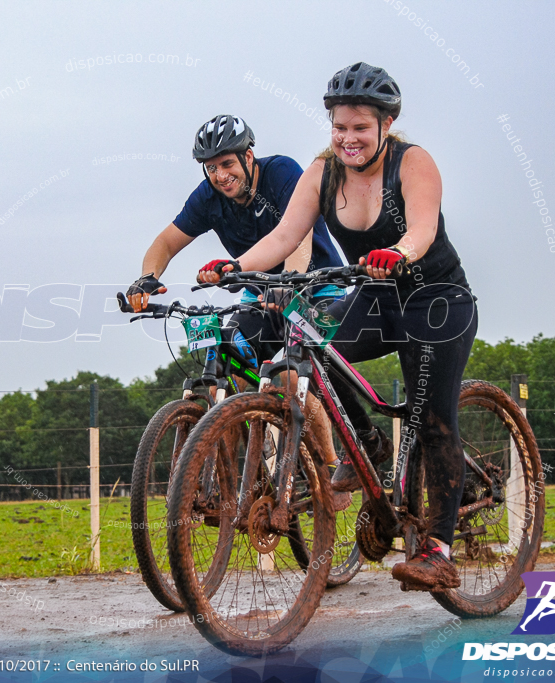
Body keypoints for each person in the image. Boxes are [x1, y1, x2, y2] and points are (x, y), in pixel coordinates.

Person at [196, 63, 478, 590]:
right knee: (315, 346)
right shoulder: (323, 172)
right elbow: (283, 236)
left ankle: (439, 550)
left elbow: (423, 227)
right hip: (374, 297)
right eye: (339, 127)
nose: (348, 138)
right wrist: (238, 268)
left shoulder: (412, 164)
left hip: (436, 300)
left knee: (434, 421)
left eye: (360, 128)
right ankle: (367, 444)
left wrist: (398, 252)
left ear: (385, 125)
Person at [126, 114, 343, 365]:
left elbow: (298, 236)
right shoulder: (208, 197)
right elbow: (165, 242)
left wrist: (288, 283)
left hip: (317, 286)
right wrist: (147, 277)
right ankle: (233, 406)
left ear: (248, 157)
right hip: (259, 296)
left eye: (227, 163)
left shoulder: (282, 173)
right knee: (230, 357)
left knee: (297, 373)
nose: (220, 176)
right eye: (211, 168)